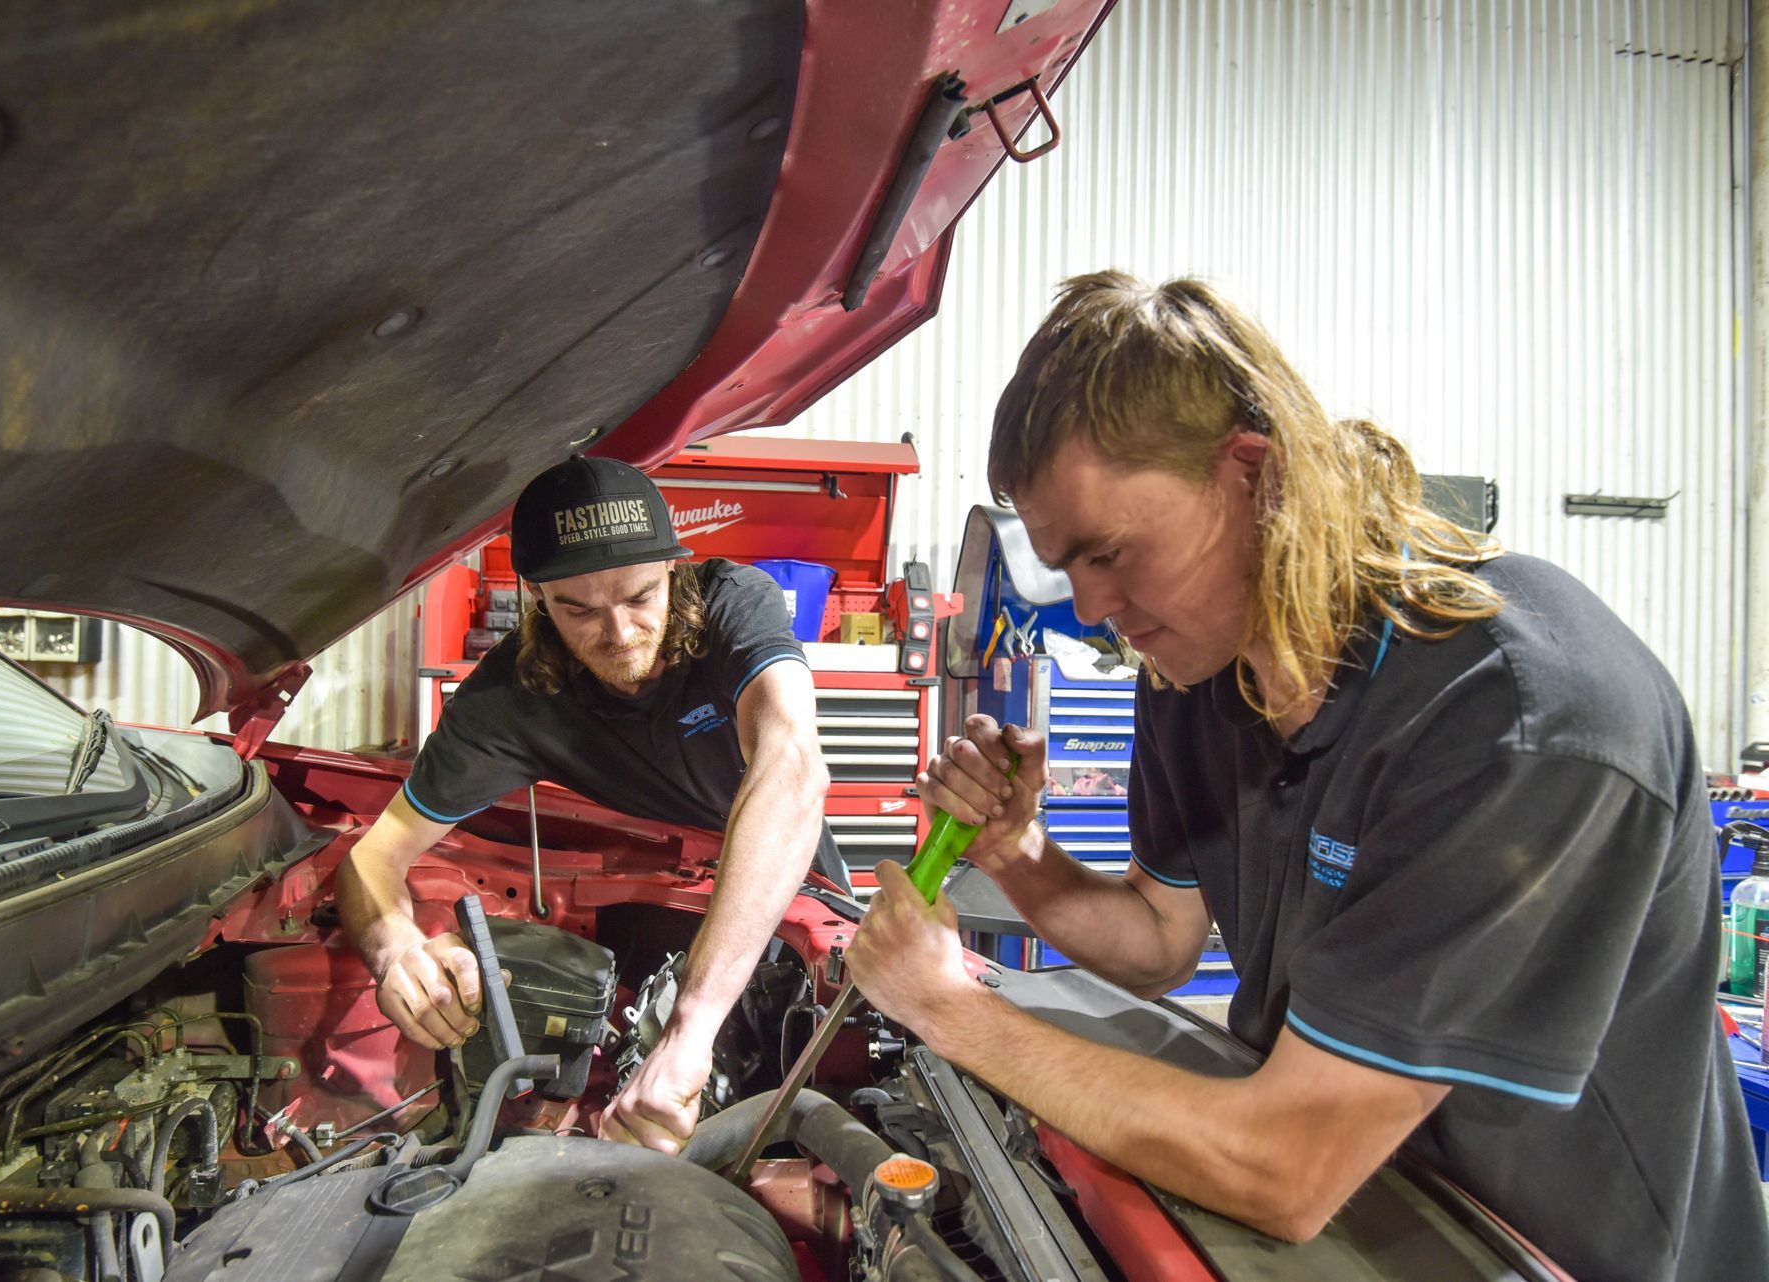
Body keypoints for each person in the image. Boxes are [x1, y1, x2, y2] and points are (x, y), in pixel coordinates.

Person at [846, 272, 1769, 1281]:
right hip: (1362, 1226)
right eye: (1069, 566)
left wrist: (954, 1010)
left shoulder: (1518, 723)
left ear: (1252, 472)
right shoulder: (1199, 668)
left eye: (1110, 552)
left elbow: (1288, 1165)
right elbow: (1159, 943)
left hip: (1556, 1250)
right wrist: (1016, 850)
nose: (1095, 604)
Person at [337, 454, 841, 1153]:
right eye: (579, 608)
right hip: (649, 932)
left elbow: (792, 766)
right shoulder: (508, 699)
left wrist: (690, 1032)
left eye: (638, 597)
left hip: (783, 889)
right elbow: (372, 859)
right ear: (538, 595)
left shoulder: (735, 602)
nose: (619, 631)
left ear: (674, 569)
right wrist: (395, 952)